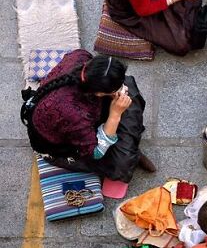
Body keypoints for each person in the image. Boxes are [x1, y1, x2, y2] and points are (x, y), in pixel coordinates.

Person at [23, 49, 153, 182]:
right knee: (121, 165)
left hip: (76, 118)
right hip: (59, 147)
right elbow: (95, 153)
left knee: (128, 88)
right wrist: (115, 115)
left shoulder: (81, 56)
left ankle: (129, 145)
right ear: (99, 93)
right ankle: (130, 147)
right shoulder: (73, 112)